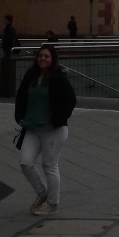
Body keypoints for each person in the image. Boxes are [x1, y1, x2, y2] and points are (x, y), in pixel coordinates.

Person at [15, 44, 76, 215]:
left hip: (52, 130)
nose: (42, 59)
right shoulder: (31, 75)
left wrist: (57, 119)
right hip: (32, 127)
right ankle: (42, 192)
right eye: (40, 56)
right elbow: (21, 97)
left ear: (53, 59)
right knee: (25, 162)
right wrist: (19, 116)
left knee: (49, 165)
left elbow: (70, 100)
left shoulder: (58, 77)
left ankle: (52, 204)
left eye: (46, 56)